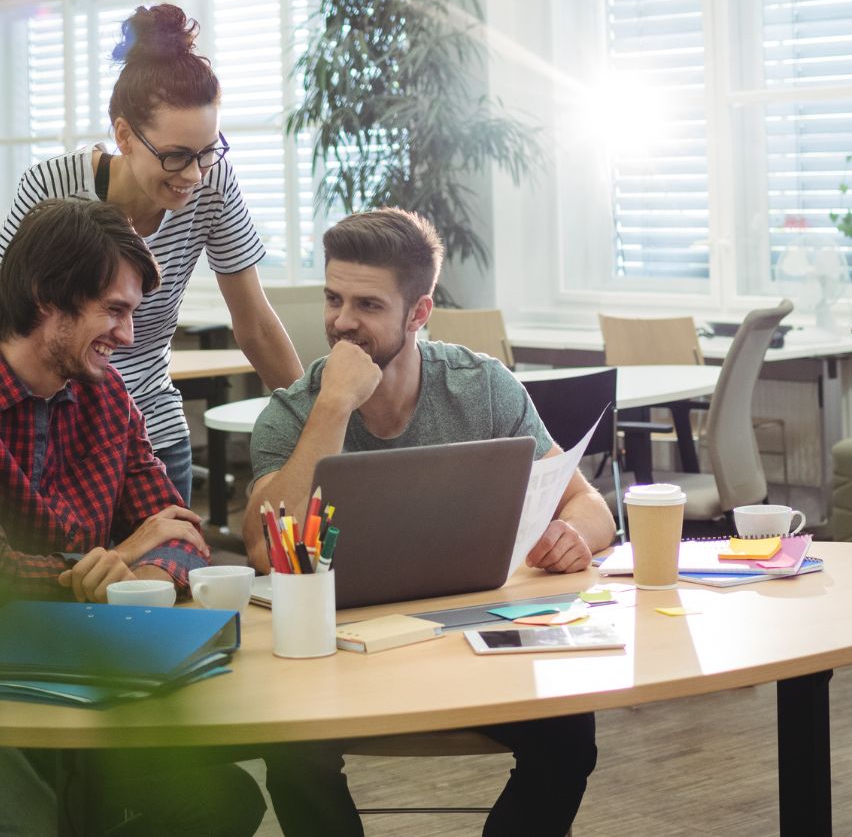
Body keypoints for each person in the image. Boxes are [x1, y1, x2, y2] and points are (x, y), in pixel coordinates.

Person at [0, 196, 264, 837]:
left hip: (68, 682)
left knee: (223, 800)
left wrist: (142, 564)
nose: (128, 336)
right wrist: (125, 557)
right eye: (115, 311)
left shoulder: (105, 395)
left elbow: (182, 535)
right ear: (48, 298)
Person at [244, 208, 614, 837]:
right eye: (333, 299)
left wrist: (572, 535)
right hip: (339, 654)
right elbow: (261, 549)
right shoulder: (293, 413)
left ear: (419, 313)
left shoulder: (482, 389)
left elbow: (591, 507)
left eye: (367, 304)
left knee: (570, 735)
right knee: (292, 748)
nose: (341, 322)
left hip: (470, 642)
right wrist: (332, 408)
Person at [0, 3, 303, 504]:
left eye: (208, 151)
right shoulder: (54, 185)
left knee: (169, 572)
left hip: (151, 432)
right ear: (124, 136)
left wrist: (313, 422)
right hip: (49, 435)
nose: (194, 175)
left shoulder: (213, 183)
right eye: (176, 156)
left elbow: (256, 324)